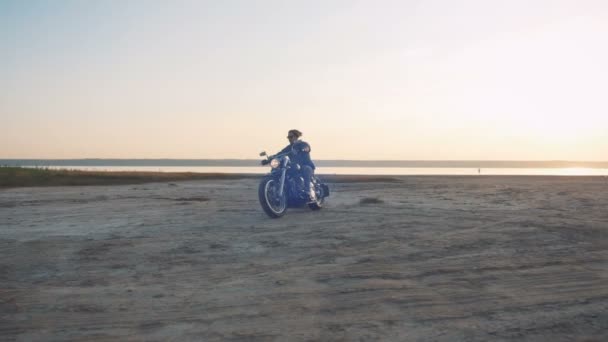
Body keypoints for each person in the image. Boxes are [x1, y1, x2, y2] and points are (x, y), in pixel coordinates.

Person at [274, 129, 316, 201]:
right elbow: (280, 153)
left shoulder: (303, 144)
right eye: (288, 137)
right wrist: (271, 158)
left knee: (306, 169)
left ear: (296, 137)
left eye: (291, 137)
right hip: (294, 167)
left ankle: (307, 191)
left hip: (306, 165)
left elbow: (307, 148)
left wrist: (303, 149)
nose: (289, 139)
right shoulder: (288, 148)